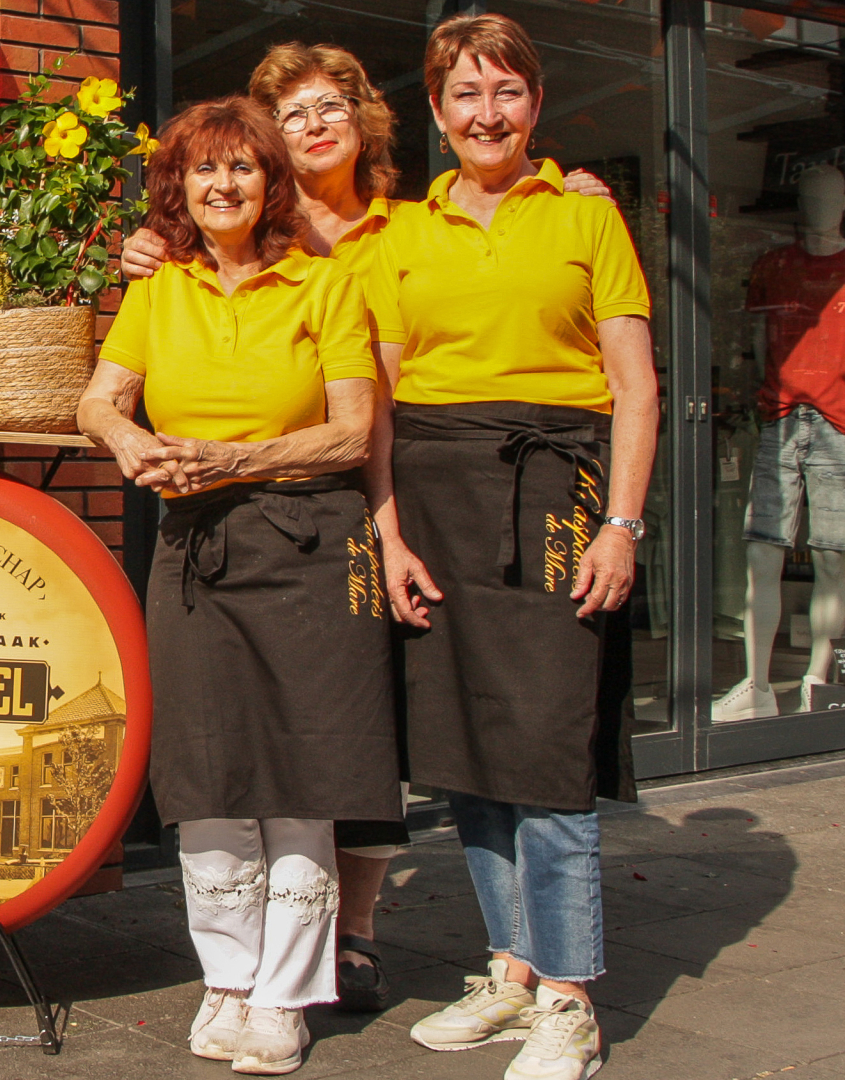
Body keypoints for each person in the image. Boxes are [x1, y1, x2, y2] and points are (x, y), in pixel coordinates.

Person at [118, 40, 617, 1014]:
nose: (315, 125)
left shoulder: (410, 221)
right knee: (322, 726)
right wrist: (146, 247)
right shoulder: (230, 227)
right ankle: (305, 939)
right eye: (292, 111)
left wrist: (569, 192)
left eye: (334, 104)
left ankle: (357, 926)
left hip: (402, 496)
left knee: (383, 718)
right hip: (297, 519)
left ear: (366, 119)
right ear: (265, 138)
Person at [78, 96, 400, 1076]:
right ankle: (227, 974)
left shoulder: (325, 285)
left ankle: (288, 990)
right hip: (193, 541)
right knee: (205, 763)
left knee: (304, 766)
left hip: (306, 538)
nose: (223, 186)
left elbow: (352, 431)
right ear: (180, 187)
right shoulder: (158, 290)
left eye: (243, 170)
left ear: (271, 186)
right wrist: (132, 442)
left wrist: (235, 458)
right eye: (204, 171)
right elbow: (101, 399)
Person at [365, 15, 657, 1080]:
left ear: (536, 102)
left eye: (508, 92)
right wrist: (388, 533)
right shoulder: (400, 232)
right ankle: (511, 970)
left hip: (554, 490)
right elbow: (384, 401)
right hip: (434, 491)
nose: (488, 114)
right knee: (464, 753)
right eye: (466, 95)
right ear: (437, 112)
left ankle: (570, 998)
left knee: (545, 746)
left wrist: (621, 525)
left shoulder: (587, 218)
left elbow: (635, 386)